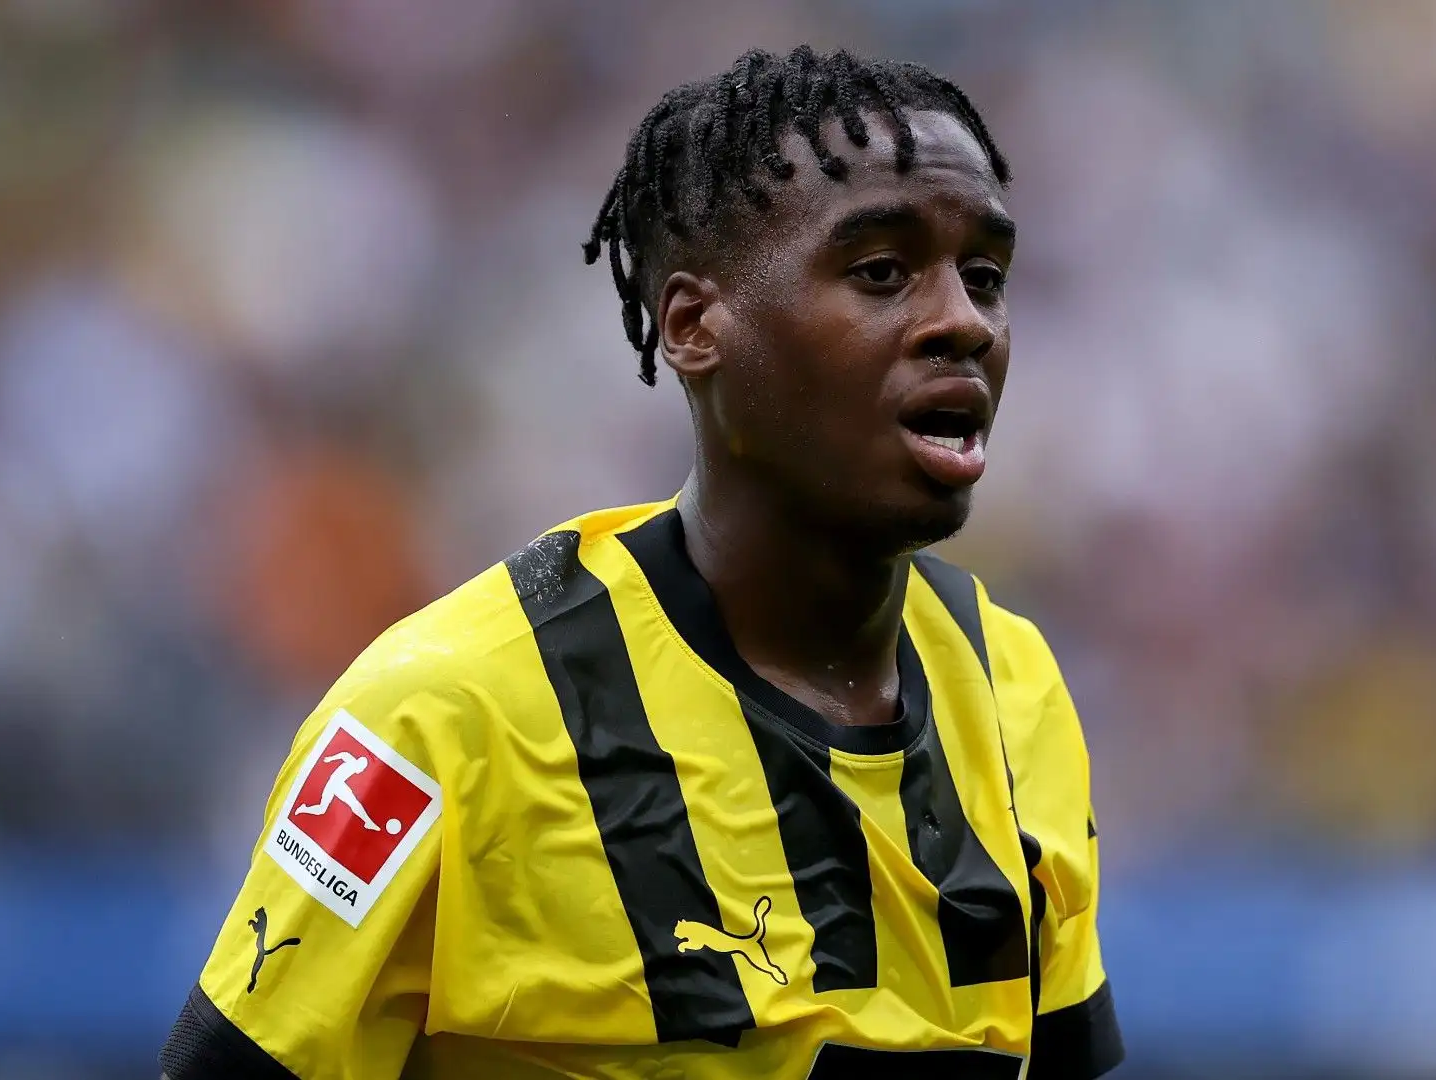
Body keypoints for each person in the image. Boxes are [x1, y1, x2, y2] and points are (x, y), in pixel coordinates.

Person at [160, 45, 1122, 1080]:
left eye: (985, 278)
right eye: (881, 273)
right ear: (695, 325)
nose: (963, 323)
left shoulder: (1015, 688)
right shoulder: (443, 717)